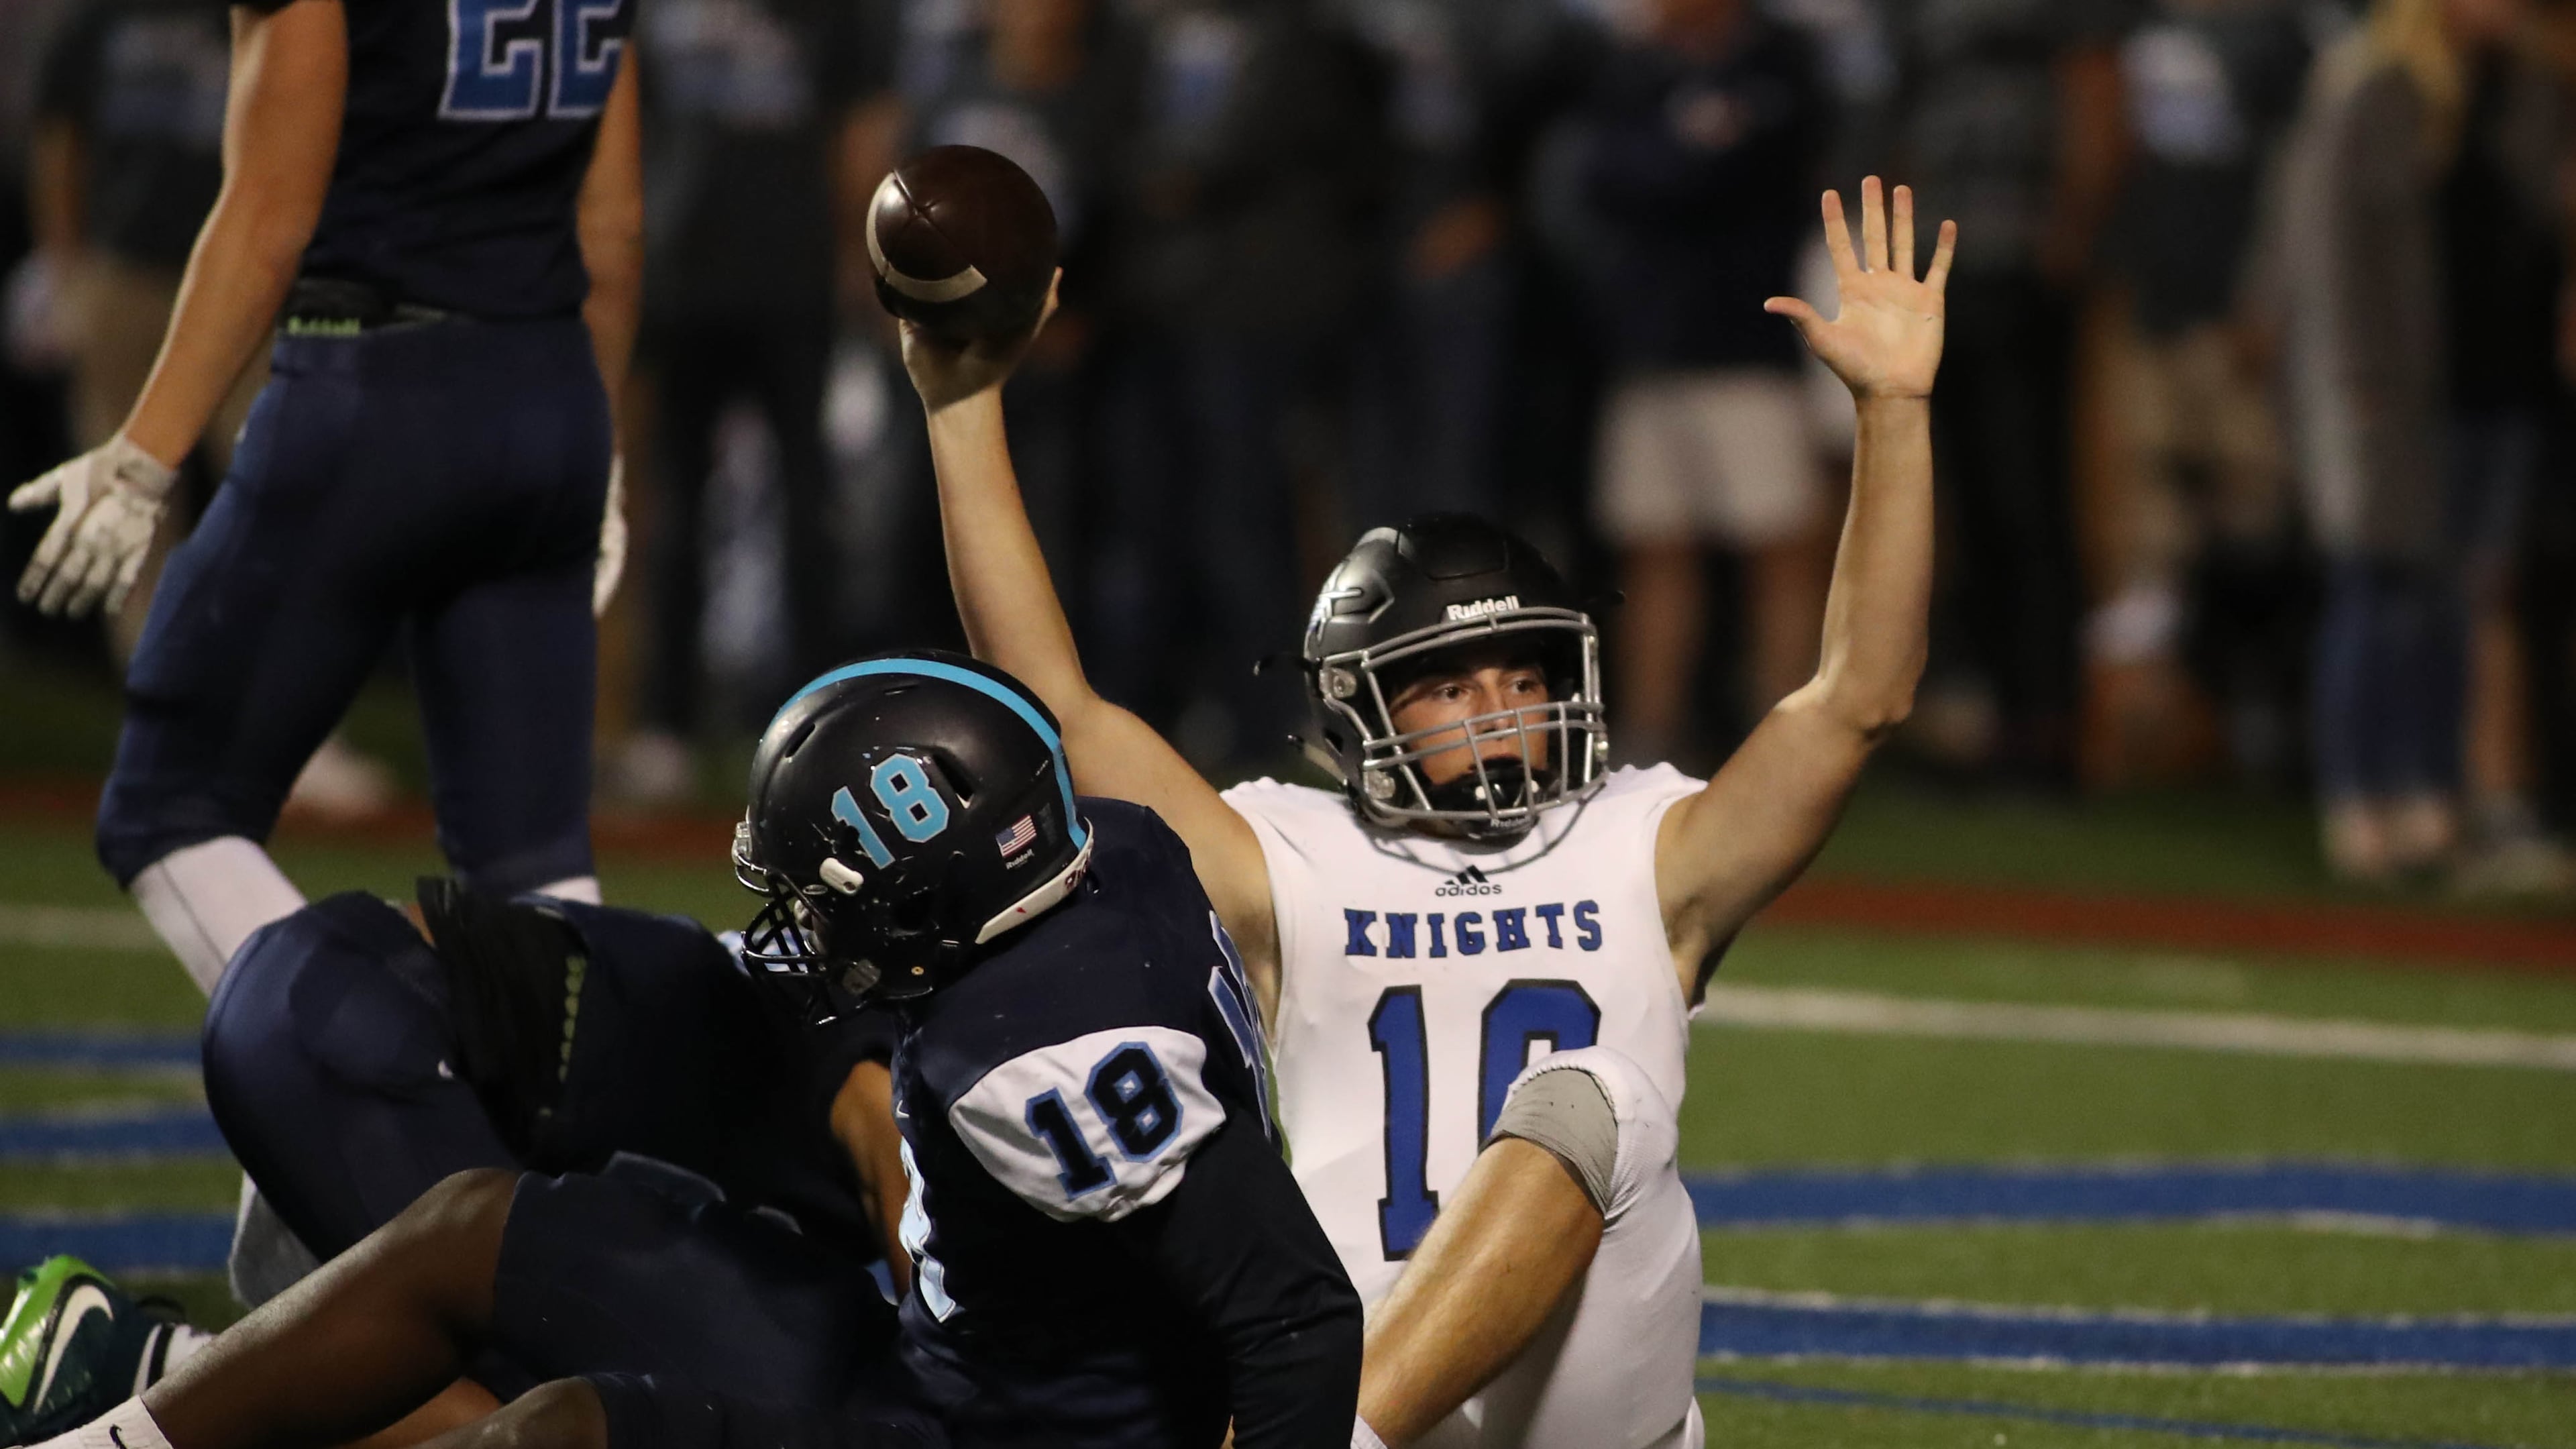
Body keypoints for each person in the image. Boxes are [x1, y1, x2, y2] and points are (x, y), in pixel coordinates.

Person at [909, 178, 1951, 1447]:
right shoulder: (1292, 853)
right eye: (1451, 685)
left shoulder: (1651, 842)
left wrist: (1894, 412)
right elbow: (1056, 713)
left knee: (1601, 1098)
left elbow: (1860, 701)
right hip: (1354, 1361)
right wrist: (963, 411)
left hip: (1577, 1397)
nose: (1501, 709)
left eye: (1523, 676)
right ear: (1362, 710)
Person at [8, 652, 1361, 1449]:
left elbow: (1297, 1319)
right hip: (951, 1363)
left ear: (937, 895)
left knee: (561, 1430)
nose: (803, 930)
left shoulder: (1044, 1059)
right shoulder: (1111, 855)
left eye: (829, 899)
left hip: (975, 1429)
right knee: (479, 1229)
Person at [5, 0, 643, 998]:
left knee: (167, 807)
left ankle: (346, 1086)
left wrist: (141, 455)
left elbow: (267, 220)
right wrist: (595, 441)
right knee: (531, 858)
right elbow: (612, 226)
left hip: (376, 389)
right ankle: (573, 1135)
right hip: (549, 384)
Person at [1, 881, 910, 1446]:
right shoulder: (900, 1067)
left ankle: (166, 1377)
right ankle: (136, 1366)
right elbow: (920, 1239)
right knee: (564, 1417)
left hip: (377, 1048)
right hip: (370, 1035)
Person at [2269, 0, 2527, 881]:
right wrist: (2358, 384)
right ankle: (2358, 799)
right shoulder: (2372, 85)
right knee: (2377, 590)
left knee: (2456, 603)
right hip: (2391, 391)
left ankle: (2430, 799)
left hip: (2495, 383)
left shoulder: (2520, 86)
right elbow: (2329, 249)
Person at [615, 0, 898, 804]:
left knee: (809, 515)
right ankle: (665, 725)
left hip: (793, 275)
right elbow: (624, 117)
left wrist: (859, 252)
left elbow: (865, 125)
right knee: (673, 512)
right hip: (682, 277)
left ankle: (819, 730)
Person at [1575, 0, 1833, 763]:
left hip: (1753, 342)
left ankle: (1790, 743)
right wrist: (1678, 159)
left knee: (1780, 548)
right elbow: (1603, 174)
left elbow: (1735, 169)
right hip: (1650, 350)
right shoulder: (1632, 68)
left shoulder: (1780, 59)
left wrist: (1669, 163)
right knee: (1655, 549)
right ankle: (1650, 744)